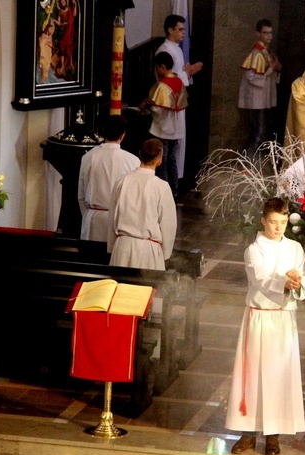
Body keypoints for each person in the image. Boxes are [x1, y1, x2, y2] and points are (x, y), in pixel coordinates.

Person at [225, 197, 305, 455]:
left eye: (283, 222)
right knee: (252, 376)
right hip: (260, 317)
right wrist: (285, 284)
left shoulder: (295, 247)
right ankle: (248, 432)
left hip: (284, 318)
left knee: (278, 376)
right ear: (264, 221)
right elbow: (261, 279)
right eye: (273, 222)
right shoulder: (254, 249)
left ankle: (272, 435)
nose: (278, 228)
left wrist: (299, 282)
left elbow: (304, 277)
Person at [107, 138, 177, 271]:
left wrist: (112, 247)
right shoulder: (161, 186)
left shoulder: (122, 181)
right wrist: (164, 255)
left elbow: (112, 216)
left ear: (140, 154)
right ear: (159, 160)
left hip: (122, 247)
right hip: (148, 252)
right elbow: (168, 225)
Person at [155, 14, 203, 193]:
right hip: (167, 107)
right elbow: (167, 82)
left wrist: (186, 73)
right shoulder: (164, 50)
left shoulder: (177, 49)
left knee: (175, 150)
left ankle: (174, 187)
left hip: (177, 104)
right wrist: (187, 73)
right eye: (180, 29)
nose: (184, 33)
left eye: (184, 29)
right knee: (167, 153)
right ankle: (167, 189)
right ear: (170, 29)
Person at [77, 114, 139, 242]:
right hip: (119, 221)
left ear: (103, 132)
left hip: (92, 219)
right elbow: (134, 199)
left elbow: (81, 196)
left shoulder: (88, 157)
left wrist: (88, 215)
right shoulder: (132, 161)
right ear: (123, 135)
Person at [139, 51, 188, 198]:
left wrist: (147, 106)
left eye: (157, 67)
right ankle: (174, 190)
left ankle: (163, 192)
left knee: (162, 161)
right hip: (177, 128)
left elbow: (157, 109)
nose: (156, 71)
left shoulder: (162, 85)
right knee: (172, 160)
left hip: (163, 129)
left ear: (162, 67)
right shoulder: (179, 81)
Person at [238, 19, 282, 157]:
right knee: (257, 131)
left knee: (260, 131)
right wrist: (271, 70)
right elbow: (250, 77)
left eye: (270, 33)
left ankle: (250, 161)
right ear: (257, 33)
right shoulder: (256, 53)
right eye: (265, 33)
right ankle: (245, 163)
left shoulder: (267, 51)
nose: (269, 36)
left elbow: (271, 72)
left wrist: (276, 70)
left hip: (262, 98)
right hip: (255, 99)